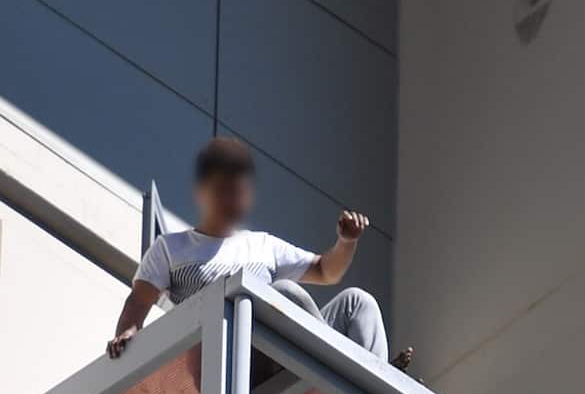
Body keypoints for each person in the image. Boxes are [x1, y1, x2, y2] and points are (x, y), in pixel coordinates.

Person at [106, 137, 411, 371]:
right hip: (236, 358)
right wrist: (126, 334)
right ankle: (346, 370)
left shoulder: (262, 245)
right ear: (203, 194)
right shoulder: (172, 248)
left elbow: (326, 271)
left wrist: (346, 242)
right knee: (285, 292)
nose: (231, 201)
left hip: (290, 351)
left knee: (358, 302)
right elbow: (139, 300)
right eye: (223, 191)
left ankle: (376, 377)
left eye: (237, 193)